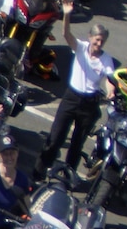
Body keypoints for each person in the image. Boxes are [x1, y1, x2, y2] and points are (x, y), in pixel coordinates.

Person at [39, 12, 116, 175]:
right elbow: (66, 34)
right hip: (71, 97)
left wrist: (111, 90)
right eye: (97, 39)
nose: (99, 43)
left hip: (89, 103)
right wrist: (67, 14)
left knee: (77, 144)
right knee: (55, 137)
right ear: (90, 37)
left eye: (102, 41)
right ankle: (39, 172)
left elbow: (110, 78)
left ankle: (67, 176)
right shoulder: (80, 47)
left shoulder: (106, 60)